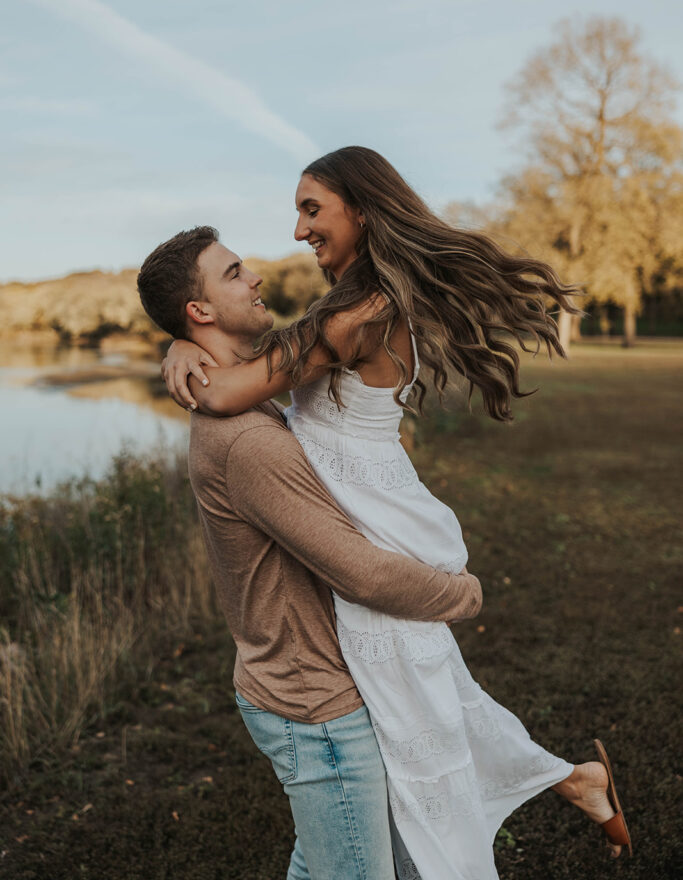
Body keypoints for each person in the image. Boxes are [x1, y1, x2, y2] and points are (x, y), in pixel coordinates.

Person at [162, 147, 632, 879]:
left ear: (362, 208)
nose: (296, 231)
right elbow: (249, 378)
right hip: (378, 510)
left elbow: (224, 394)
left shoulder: (359, 311)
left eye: (311, 208)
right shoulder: (351, 304)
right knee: (434, 710)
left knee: (424, 744)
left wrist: (181, 353)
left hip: (380, 520)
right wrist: (176, 344)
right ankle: (570, 782)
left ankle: (488, 830)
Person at [137, 226, 485, 880]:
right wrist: (463, 595)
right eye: (235, 272)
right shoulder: (246, 441)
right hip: (315, 709)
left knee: (340, 861)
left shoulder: (243, 390)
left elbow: (302, 344)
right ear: (201, 309)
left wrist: (177, 344)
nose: (256, 277)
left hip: (311, 687)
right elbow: (361, 572)